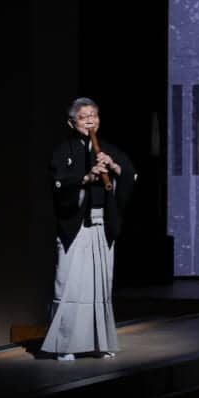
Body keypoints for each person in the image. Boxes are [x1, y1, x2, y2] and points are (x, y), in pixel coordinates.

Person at [41, 97, 136, 360]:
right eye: (84, 117)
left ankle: (99, 343)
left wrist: (114, 168)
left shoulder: (107, 149)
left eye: (94, 115)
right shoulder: (62, 151)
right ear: (71, 122)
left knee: (99, 287)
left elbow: (129, 174)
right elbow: (58, 186)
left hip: (101, 224)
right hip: (76, 227)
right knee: (69, 286)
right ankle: (64, 345)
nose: (90, 120)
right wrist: (86, 178)